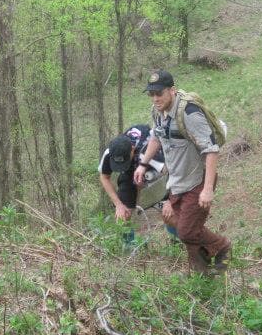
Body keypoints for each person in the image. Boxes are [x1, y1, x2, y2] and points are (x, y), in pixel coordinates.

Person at [133, 69, 231, 274]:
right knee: (171, 219)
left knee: (187, 230)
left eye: (159, 93)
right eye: (151, 94)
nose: (155, 98)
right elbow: (156, 138)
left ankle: (222, 247)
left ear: (172, 91)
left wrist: (207, 189)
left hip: (197, 179)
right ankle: (201, 269)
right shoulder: (158, 112)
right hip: (177, 180)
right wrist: (143, 164)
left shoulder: (189, 113)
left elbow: (212, 150)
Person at [98, 125, 172, 247]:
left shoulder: (148, 153)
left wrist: (170, 200)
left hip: (153, 165)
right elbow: (104, 177)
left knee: (170, 211)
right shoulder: (109, 152)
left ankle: (176, 241)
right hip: (131, 170)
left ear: (132, 149)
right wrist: (119, 205)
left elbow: (171, 173)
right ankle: (128, 247)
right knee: (123, 214)